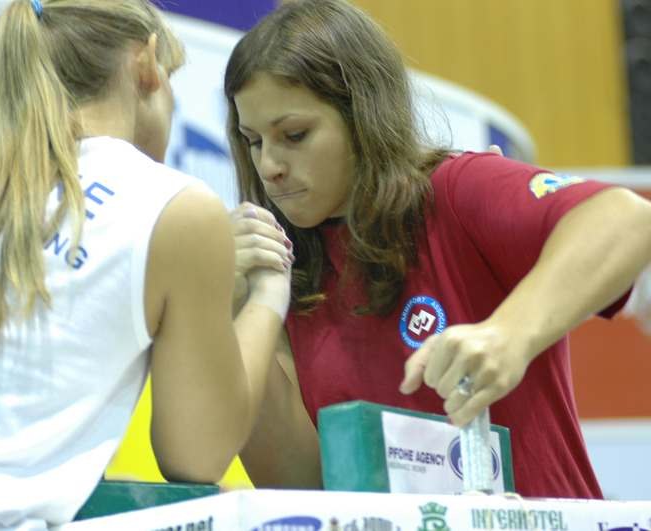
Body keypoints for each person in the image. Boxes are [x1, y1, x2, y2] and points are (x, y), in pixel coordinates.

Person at [0, 0, 290, 528]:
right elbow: (196, 455)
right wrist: (267, 296)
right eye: (171, 78)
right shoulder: (172, 203)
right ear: (146, 64)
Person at [225, 0, 651, 498]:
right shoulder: (280, 268)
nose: (270, 165)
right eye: (253, 142)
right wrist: (237, 311)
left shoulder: (455, 189)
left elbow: (628, 218)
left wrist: (509, 336)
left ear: (362, 115)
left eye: (294, 135)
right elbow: (303, 482)